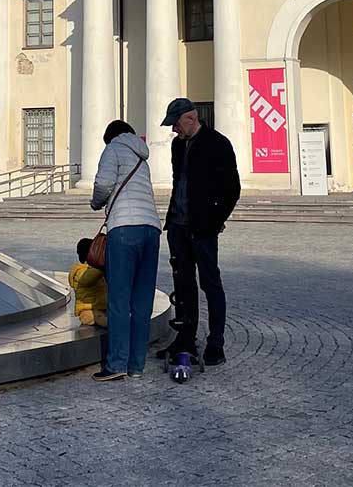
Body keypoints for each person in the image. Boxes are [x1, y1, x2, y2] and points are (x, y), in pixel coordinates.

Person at [158, 97, 240, 367]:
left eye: (176, 124)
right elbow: (177, 182)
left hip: (203, 229)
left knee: (210, 284)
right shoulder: (177, 146)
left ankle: (216, 343)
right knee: (183, 285)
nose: (173, 130)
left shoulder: (217, 144)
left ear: (191, 118)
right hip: (178, 227)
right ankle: (186, 338)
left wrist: (215, 221)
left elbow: (232, 188)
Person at [89, 119, 162, 381]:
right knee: (142, 302)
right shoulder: (143, 157)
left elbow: (103, 185)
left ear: (110, 137)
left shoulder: (113, 149)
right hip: (152, 228)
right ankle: (136, 365)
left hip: (124, 228)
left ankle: (117, 363)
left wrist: (96, 203)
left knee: (119, 300)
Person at [68, 238, 109, 366]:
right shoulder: (80, 271)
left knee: (103, 313)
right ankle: (111, 323)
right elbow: (87, 279)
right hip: (87, 309)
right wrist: (101, 268)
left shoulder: (92, 269)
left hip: (101, 305)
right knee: (96, 317)